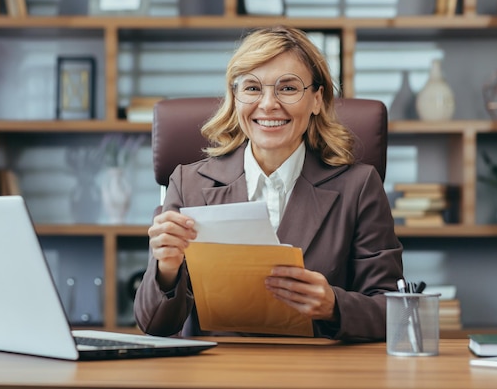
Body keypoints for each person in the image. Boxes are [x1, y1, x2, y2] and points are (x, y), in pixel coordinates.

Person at [133, 25, 403, 342]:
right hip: (215, 372)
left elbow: (394, 312)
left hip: (317, 372)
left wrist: (334, 305)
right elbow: (154, 325)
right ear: (234, 98)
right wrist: (167, 270)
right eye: (252, 88)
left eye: (287, 88)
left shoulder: (358, 187)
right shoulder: (188, 183)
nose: (268, 104)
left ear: (316, 99)